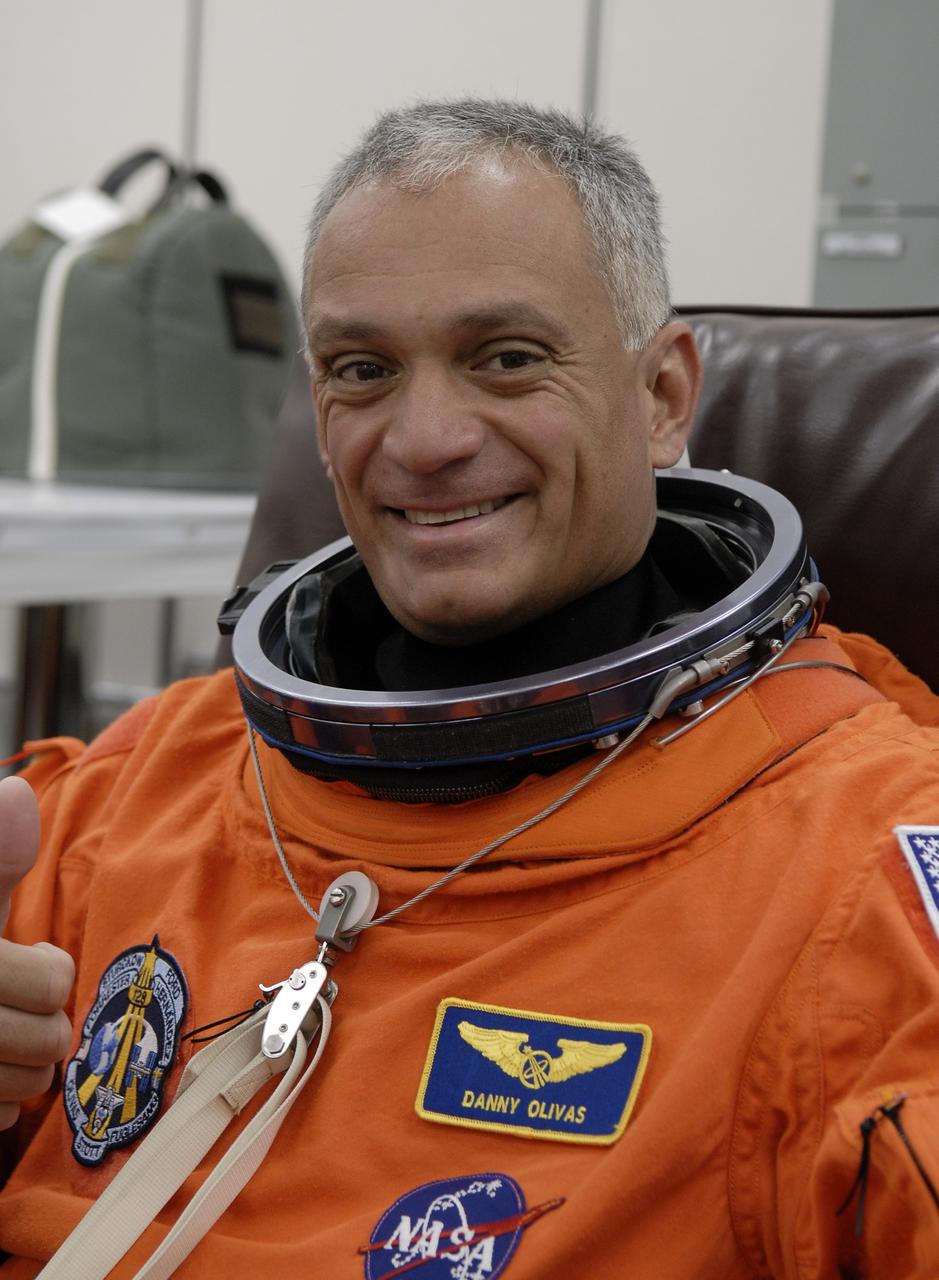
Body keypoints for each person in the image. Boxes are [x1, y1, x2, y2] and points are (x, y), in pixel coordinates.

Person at [0, 99, 938, 1280]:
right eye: (363, 369)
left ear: (662, 396)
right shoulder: (132, 788)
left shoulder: (860, 876)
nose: (427, 436)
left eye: (506, 357)